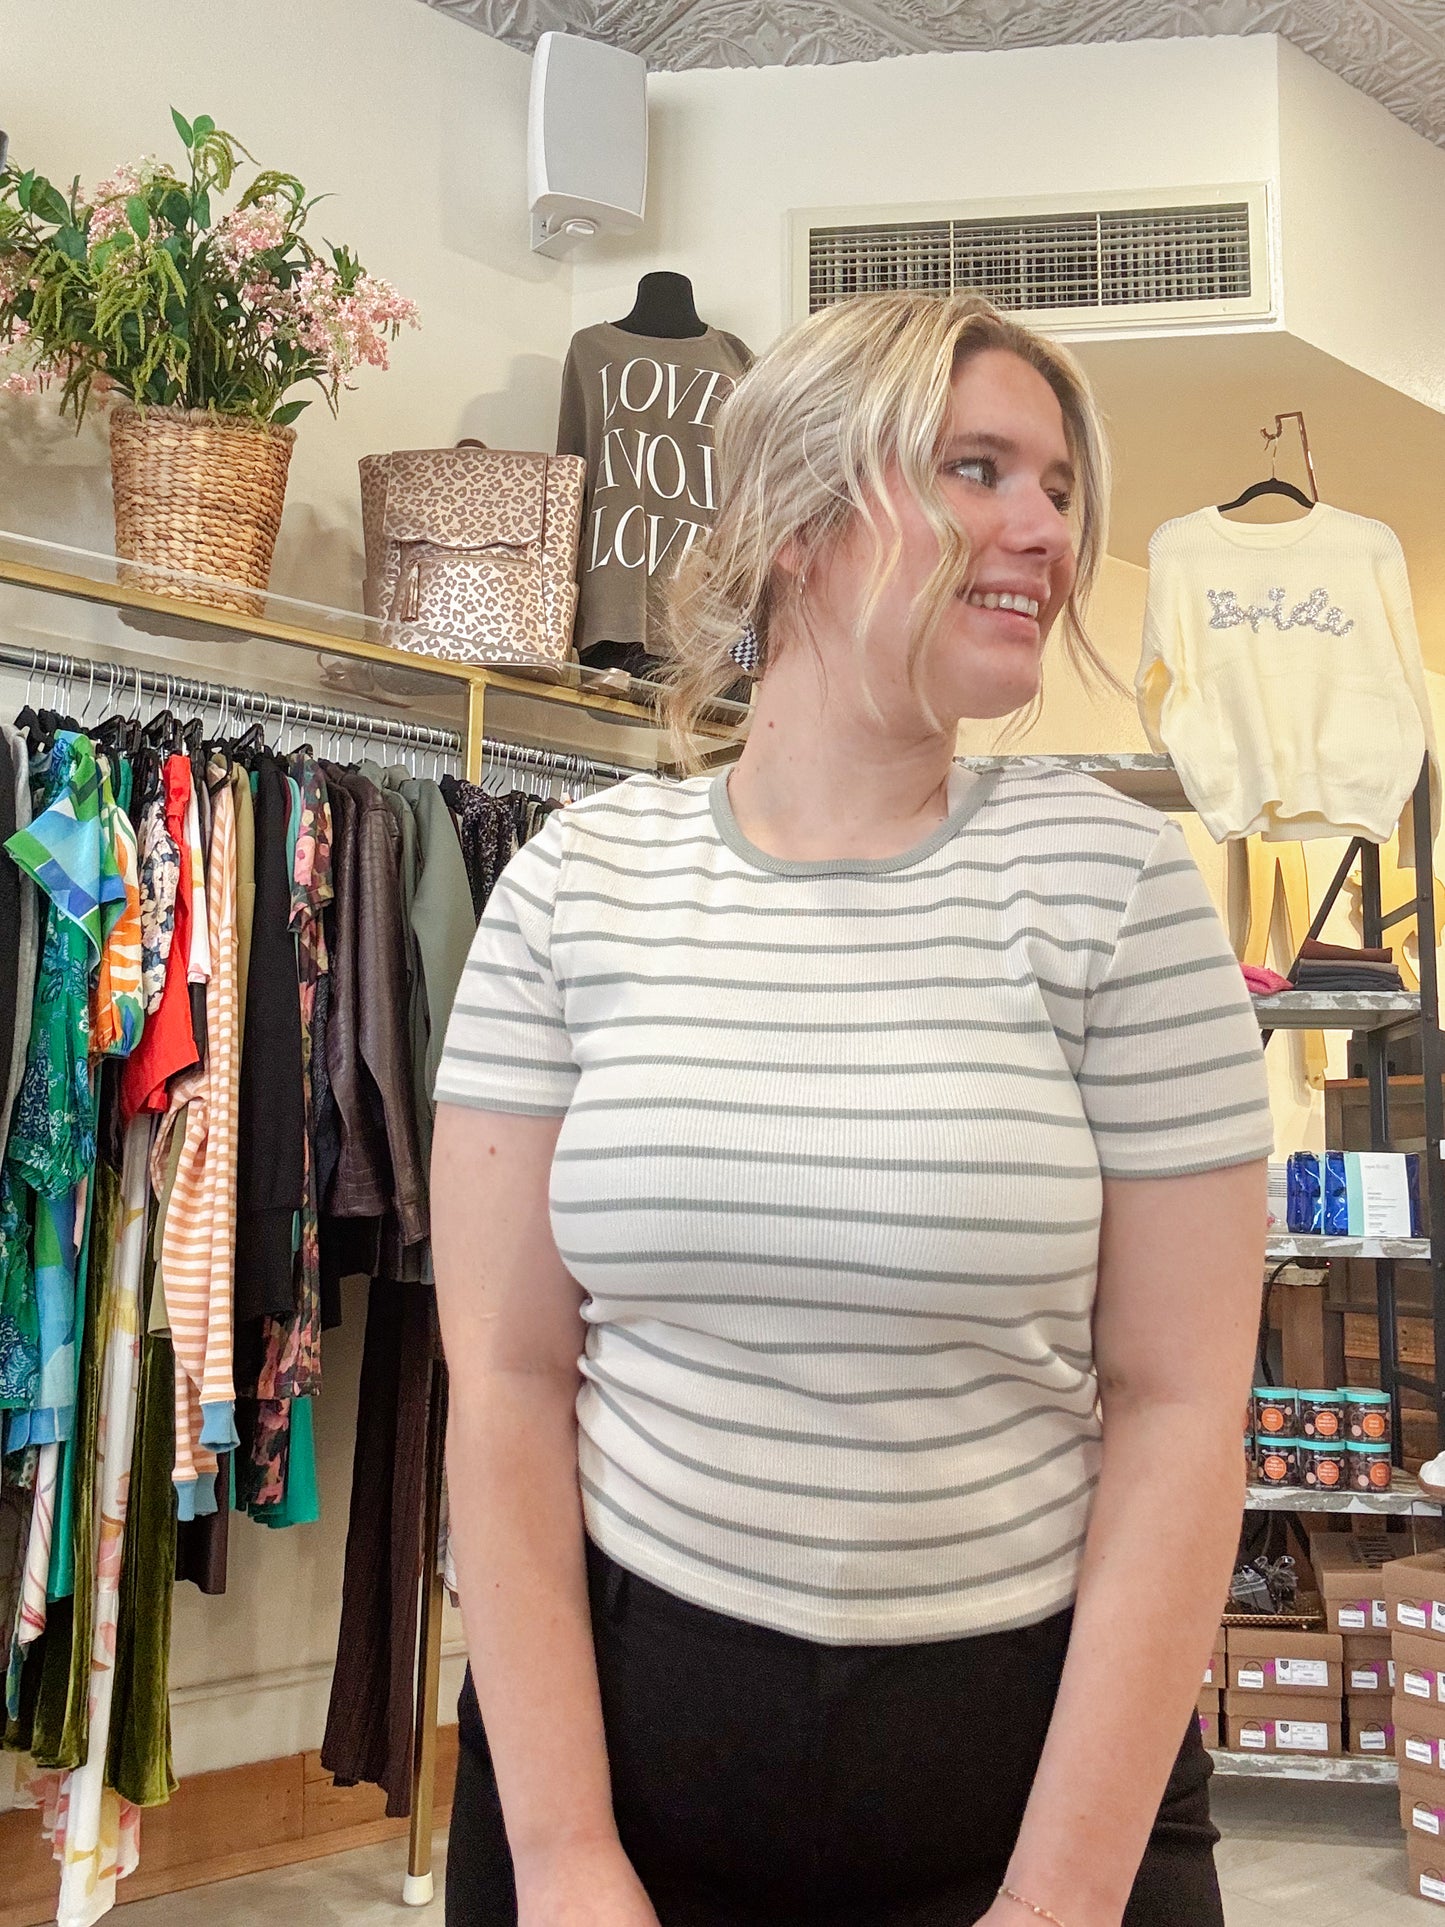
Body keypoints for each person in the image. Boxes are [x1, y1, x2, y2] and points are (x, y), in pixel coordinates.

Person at [432, 290, 1271, 1927]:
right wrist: (565, 1857)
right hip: (619, 1763)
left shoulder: (1113, 889)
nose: (1043, 528)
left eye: (1055, 486)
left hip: (1033, 1782)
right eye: (977, 469)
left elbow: (1177, 1409)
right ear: (799, 520)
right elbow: (512, 1379)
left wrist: (1054, 1904)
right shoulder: (574, 889)